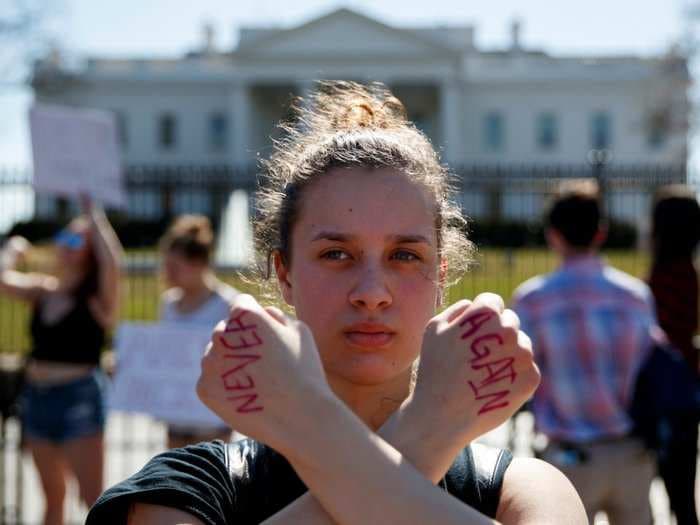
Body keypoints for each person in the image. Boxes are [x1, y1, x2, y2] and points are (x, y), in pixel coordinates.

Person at [87, 81, 585, 525]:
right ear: (283, 274)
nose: (371, 291)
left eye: (405, 255)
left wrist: (318, 429)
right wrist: (424, 433)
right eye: (336, 253)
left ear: (442, 277)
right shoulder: (186, 492)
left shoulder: (526, 492)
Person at [511, 179, 658, 525]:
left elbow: (521, 375)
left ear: (552, 235)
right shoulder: (635, 296)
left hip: (568, 457)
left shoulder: (533, 300)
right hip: (630, 450)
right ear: (600, 233)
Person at [0, 196, 122, 525]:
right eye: (64, 237)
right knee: (53, 500)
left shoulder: (98, 300)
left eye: (77, 239)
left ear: (91, 250)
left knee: (93, 501)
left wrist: (93, 214)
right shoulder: (43, 291)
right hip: (37, 400)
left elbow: (114, 264)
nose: (66, 244)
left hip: (78, 398)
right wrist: (13, 249)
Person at [158, 214, 239, 448]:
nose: (167, 272)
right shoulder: (168, 304)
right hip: (176, 417)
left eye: (174, 266)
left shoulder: (227, 304)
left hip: (213, 420)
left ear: (198, 264)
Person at [647, 185, 700, 525]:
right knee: (681, 488)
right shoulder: (689, 273)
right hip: (686, 384)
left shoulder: (662, 278)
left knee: (671, 487)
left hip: (662, 386)